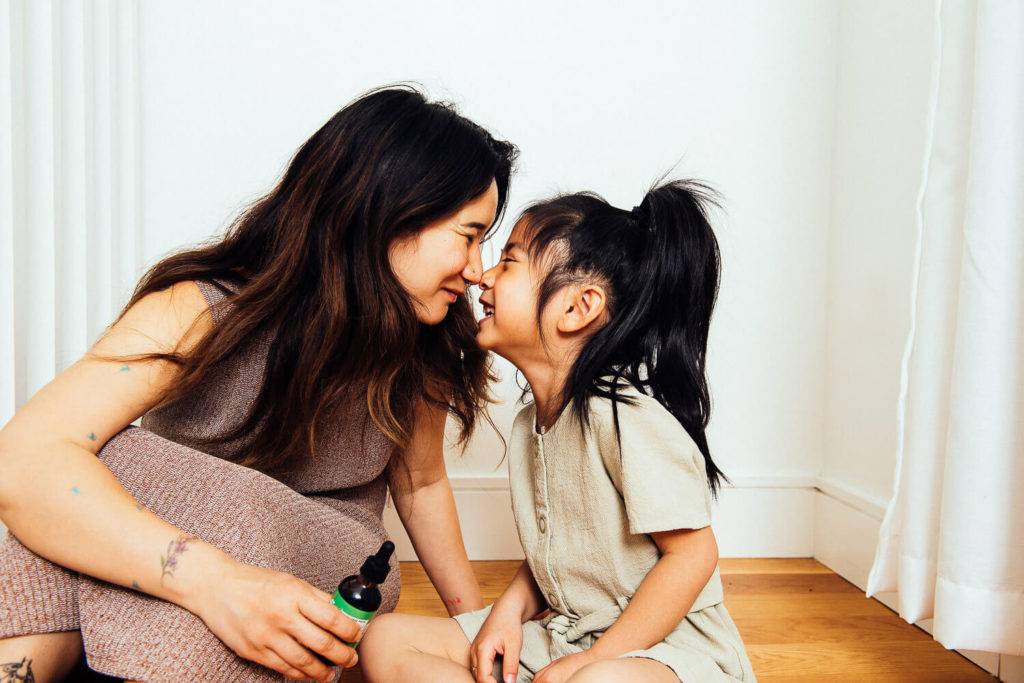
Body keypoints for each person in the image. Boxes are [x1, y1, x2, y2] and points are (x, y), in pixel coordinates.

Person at [0, 86, 517, 683]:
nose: (478, 269)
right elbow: (22, 463)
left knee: (116, 458)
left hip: (332, 555)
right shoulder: (198, 308)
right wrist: (217, 584)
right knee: (68, 497)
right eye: (469, 234)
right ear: (392, 212)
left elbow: (422, 483)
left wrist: (473, 629)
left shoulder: (420, 345)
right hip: (179, 563)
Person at [358, 180, 758, 682]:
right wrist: (507, 612)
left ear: (576, 308)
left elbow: (693, 555)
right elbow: (563, 553)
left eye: (508, 263)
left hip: (665, 648)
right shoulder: (533, 425)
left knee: (596, 681)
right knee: (383, 639)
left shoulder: (626, 418)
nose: (482, 277)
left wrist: (594, 660)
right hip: (570, 632)